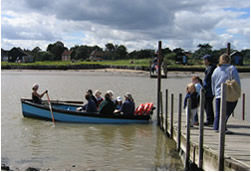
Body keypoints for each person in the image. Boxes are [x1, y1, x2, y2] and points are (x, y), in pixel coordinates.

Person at [211, 54, 241, 133]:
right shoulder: (232, 68)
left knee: (218, 112)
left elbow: (213, 82)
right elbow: (236, 81)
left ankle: (216, 127)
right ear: (229, 60)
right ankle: (222, 127)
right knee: (227, 111)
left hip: (218, 93)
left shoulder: (216, 69)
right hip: (228, 93)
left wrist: (214, 92)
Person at [201, 54, 217, 126]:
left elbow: (207, 80)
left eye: (204, 60)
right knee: (208, 104)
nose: (203, 61)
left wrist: (203, 87)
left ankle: (210, 120)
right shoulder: (212, 67)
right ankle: (211, 119)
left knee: (207, 104)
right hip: (211, 89)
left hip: (209, 90)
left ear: (207, 60)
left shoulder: (210, 68)